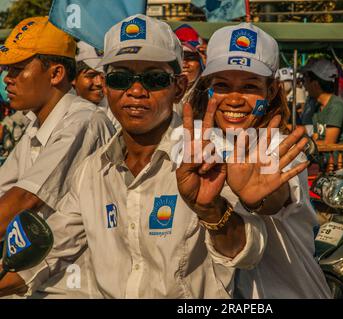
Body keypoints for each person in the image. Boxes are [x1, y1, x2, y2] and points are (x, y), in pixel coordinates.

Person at [0, 15, 267, 298]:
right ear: (106, 86)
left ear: (179, 87)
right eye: (121, 78)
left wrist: (212, 211)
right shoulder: (91, 172)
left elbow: (248, 253)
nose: (136, 91)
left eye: (154, 79)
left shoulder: (211, 155)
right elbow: (50, 250)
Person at [189, 23, 331, 298]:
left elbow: (277, 196)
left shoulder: (278, 146)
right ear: (207, 89)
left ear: (272, 91)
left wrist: (257, 199)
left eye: (249, 86)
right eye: (222, 85)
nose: (234, 99)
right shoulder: (196, 144)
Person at [0, 17, 115, 298]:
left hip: (72, 287)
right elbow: (6, 189)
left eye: (18, 69)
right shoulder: (36, 126)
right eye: (7, 69)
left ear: (56, 73)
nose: (7, 79)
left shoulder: (83, 121)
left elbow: (26, 198)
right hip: (37, 281)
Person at [300, 58, 343, 145]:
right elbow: (316, 137)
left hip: (330, 157)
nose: (304, 84)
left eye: (305, 79)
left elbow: (328, 143)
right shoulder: (318, 107)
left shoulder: (336, 107)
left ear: (315, 84)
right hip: (318, 155)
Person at [73, 41, 121, 130]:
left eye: (103, 75)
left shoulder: (118, 113)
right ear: (73, 78)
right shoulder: (59, 112)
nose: (99, 82)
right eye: (91, 75)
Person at [173, 24, 206, 116]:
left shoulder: (210, 92)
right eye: (178, 58)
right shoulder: (159, 90)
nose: (184, 64)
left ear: (201, 62)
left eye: (190, 57)